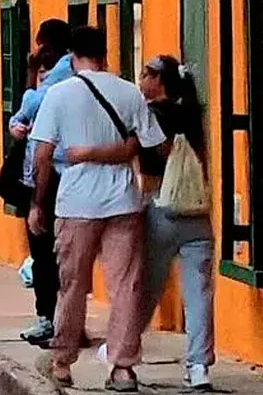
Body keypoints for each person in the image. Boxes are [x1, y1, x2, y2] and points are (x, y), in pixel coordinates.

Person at [29, 26, 165, 391]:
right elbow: (154, 144)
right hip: (123, 200)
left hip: (75, 202)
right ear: (106, 55)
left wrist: (38, 204)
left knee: (72, 285)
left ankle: (62, 361)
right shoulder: (128, 92)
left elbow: (42, 155)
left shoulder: (58, 95)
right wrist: (123, 150)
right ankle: (122, 367)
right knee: (126, 286)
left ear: (72, 58)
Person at [133, 54, 215, 391]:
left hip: (161, 209)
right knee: (199, 296)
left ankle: (125, 347)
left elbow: (146, 161)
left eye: (145, 74)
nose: (140, 80)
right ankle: (199, 367)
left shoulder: (153, 116)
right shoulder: (193, 114)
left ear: (158, 79)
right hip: (197, 213)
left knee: (146, 289)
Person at [9, 19, 74, 345]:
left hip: (52, 173)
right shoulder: (63, 71)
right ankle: (56, 318)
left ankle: (51, 319)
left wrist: (31, 73)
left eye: (41, 46)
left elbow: (32, 105)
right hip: (54, 171)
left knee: (46, 250)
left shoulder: (63, 72)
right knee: (53, 253)